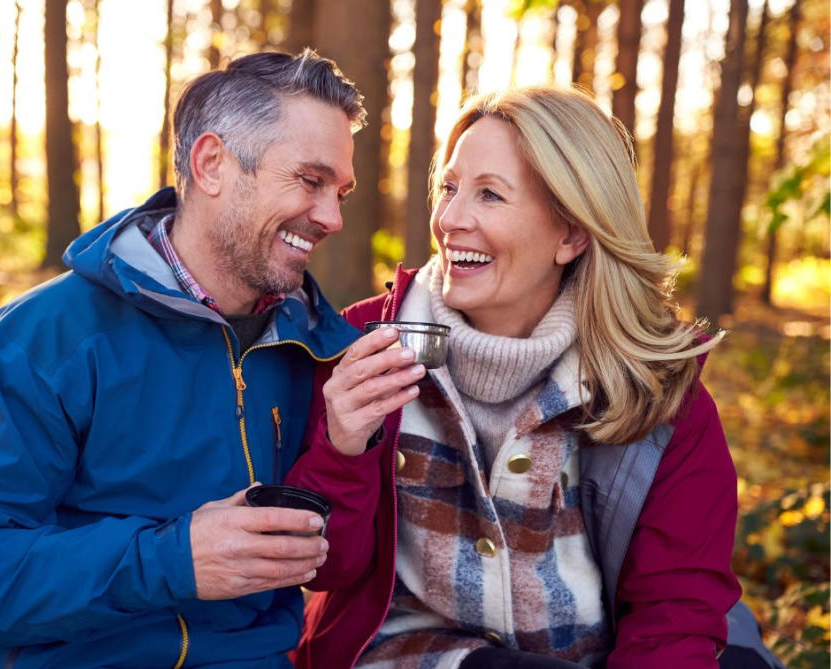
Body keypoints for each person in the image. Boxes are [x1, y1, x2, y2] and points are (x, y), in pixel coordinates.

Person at [0, 50, 365, 668]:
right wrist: (170, 560)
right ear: (211, 164)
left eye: (340, 191)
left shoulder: (315, 347)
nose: (332, 217)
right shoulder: (40, 341)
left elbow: (335, 560)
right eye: (310, 182)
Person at [286, 86, 761, 668]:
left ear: (571, 233)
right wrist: (343, 446)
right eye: (450, 188)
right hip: (414, 653)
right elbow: (327, 569)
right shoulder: (363, 343)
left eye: (490, 195)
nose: (451, 219)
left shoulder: (656, 386)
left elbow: (676, 608)